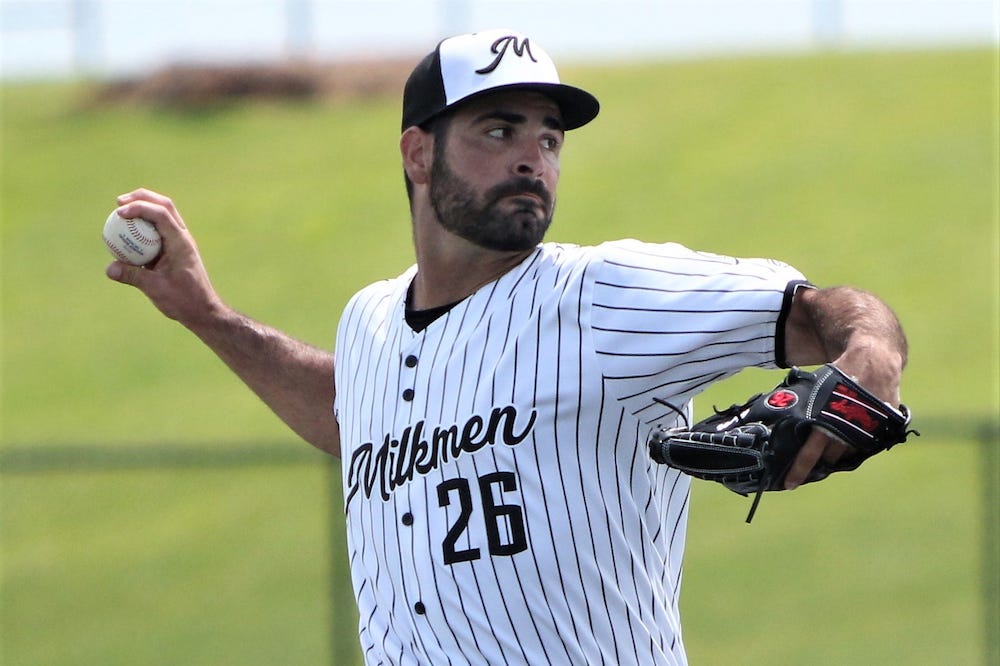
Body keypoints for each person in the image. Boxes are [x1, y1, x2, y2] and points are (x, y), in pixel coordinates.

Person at [106, 28, 908, 666]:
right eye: (499, 129)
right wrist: (206, 315)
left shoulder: (604, 294)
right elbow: (355, 416)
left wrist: (867, 363)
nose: (534, 157)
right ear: (418, 153)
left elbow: (828, 309)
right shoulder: (371, 320)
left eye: (550, 138)